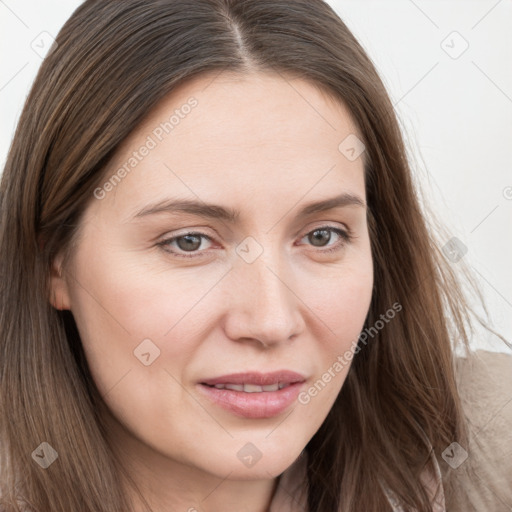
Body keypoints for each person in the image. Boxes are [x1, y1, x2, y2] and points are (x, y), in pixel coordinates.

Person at [0, 1, 510, 511]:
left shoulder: (489, 446)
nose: (271, 321)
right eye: (189, 242)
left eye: (322, 236)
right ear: (55, 261)